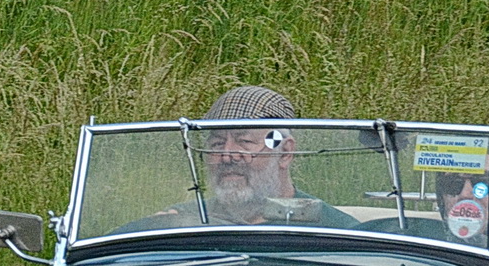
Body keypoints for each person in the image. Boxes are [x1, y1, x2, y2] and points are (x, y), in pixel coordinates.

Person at [118, 86, 360, 231]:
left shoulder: (332, 229)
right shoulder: (181, 222)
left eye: (244, 142)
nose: (227, 155)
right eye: (216, 143)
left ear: (285, 153)